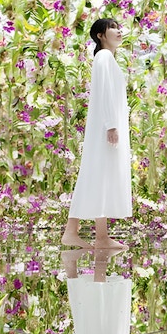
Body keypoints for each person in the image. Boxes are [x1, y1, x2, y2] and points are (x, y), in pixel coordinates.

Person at [62, 18, 132, 250]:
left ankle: (97, 235)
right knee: (97, 174)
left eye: (118, 27)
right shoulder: (104, 57)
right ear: (101, 35)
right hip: (106, 127)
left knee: (100, 176)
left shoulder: (107, 58)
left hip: (107, 126)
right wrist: (111, 125)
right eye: (112, 27)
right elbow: (104, 92)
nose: (118, 31)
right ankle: (77, 232)